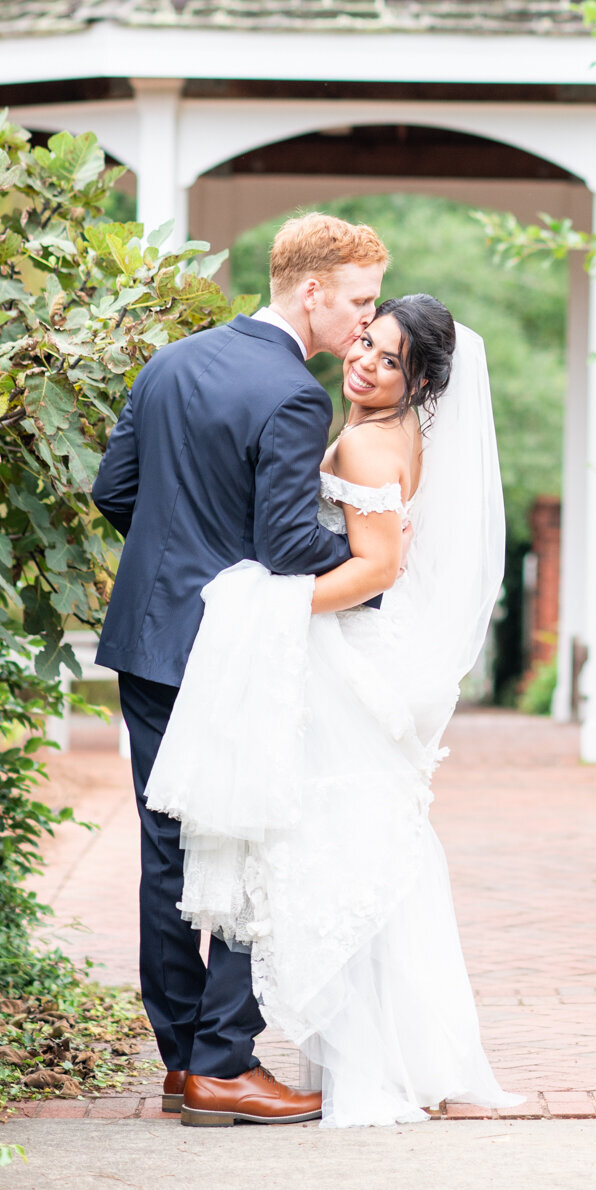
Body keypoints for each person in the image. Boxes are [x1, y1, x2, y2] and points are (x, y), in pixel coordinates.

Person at [146, 293, 520, 1127]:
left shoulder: (361, 437)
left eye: (390, 360)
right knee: (363, 845)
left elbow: (376, 567)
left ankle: (312, 1056)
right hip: (371, 653)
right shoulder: (407, 436)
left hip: (344, 652)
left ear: (420, 380)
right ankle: (387, 1051)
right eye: (366, 343)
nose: (365, 363)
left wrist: (271, 607)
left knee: (312, 844)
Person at [92, 212, 388, 1127]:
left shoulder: (169, 363)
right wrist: (380, 555)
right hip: (231, 654)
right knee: (251, 843)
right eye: (360, 301)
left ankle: (183, 1062)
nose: (365, 325)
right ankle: (226, 1062)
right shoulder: (294, 395)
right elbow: (288, 541)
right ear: (311, 291)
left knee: (168, 849)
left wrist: (180, 558)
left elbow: (114, 491)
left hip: (146, 640)